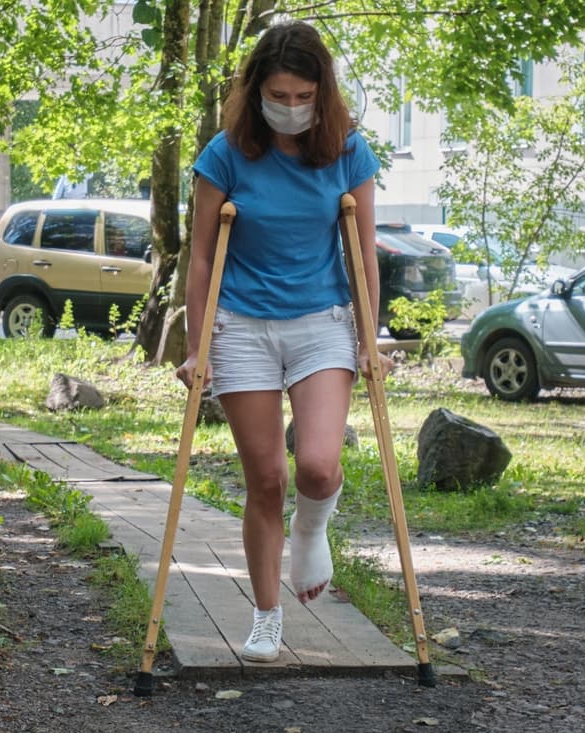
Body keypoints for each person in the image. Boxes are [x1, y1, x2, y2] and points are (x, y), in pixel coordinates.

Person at [176, 20, 392, 663]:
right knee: (265, 477)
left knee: (319, 466)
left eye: (303, 97)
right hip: (240, 324)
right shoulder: (224, 154)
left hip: (323, 322)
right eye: (280, 95)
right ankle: (267, 615)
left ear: (321, 94)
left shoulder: (349, 151)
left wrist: (368, 337)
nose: (291, 108)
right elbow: (203, 256)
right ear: (257, 90)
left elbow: (364, 258)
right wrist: (196, 346)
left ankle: (312, 528)